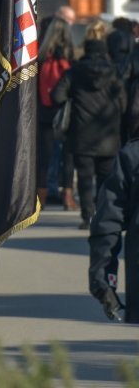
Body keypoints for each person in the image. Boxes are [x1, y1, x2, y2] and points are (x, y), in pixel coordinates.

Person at [52, 38, 125, 230]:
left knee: (84, 178)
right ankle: (103, 215)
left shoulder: (74, 71)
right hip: (108, 135)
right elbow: (123, 103)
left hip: (81, 134)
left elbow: (57, 96)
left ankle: (87, 217)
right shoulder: (115, 72)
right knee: (105, 178)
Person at [88, 139, 139, 324]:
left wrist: (103, 282)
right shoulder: (132, 156)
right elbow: (108, 221)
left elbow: (107, 221)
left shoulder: (132, 154)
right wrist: (103, 282)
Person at [36, 18, 76, 210]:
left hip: (44, 113)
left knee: (44, 157)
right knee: (67, 156)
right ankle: (68, 197)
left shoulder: (40, 58)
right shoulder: (70, 59)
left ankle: (40, 197)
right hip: (67, 114)